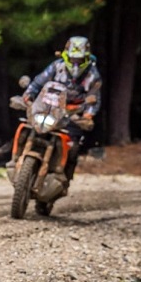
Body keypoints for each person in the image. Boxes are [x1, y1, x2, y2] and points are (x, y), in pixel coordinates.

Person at [22, 36, 102, 184]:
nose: (75, 63)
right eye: (73, 59)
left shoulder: (92, 75)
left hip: (72, 115)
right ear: (66, 56)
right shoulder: (56, 66)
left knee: (73, 146)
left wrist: (88, 115)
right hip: (48, 108)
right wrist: (28, 95)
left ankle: (65, 178)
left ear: (86, 58)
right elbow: (38, 82)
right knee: (25, 126)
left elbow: (94, 97)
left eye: (79, 59)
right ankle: (18, 160)